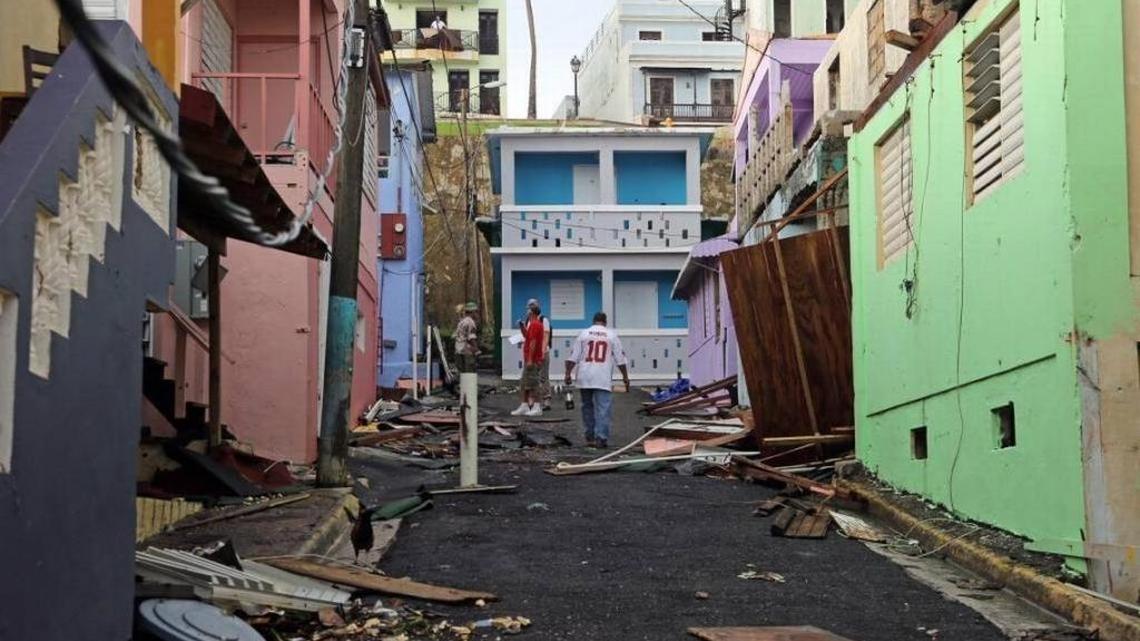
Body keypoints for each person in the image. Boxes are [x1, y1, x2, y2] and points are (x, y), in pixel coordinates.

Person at [564, 312, 629, 448]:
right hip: (602, 377)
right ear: (605, 322)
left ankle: (589, 436)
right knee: (603, 408)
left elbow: (573, 357)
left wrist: (568, 374)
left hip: (584, 376)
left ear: (593, 321)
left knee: (587, 406)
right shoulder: (611, 335)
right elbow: (620, 359)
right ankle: (601, 438)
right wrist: (625, 377)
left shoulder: (584, 334)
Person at [511, 300, 548, 416]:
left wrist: (531, 360)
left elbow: (533, 342)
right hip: (529, 359)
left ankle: (537, 406)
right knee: (524, 383)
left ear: (532, 312)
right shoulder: (531, 324)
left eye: (528, 309)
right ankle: (524, 405)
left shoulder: (536, 324)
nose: (526, 311)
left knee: (533, 383)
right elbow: (527, 336)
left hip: (533, 360)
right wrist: (522, 326)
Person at [454, 302, 480, 374]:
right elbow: (471, 337)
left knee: (461, 374)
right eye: (476, 312)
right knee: (469, 374)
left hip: (458, 350)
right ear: (472, 312)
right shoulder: (470, 322)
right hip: (467, 352)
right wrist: (476, 349)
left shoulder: (462, 322)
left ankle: (461, 385)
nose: (477, 314)